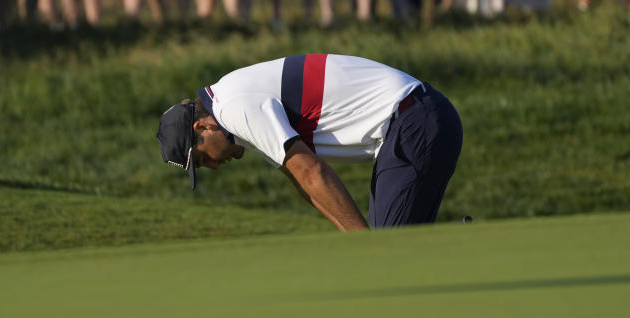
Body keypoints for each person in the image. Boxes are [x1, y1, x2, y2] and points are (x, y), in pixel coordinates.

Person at [157, 53, 463, 230]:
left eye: (201, 159)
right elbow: (305, 185)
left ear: (203, 127)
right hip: (415, 119)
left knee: (389, 253)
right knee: (391, 248)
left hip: (412, 121)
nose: (214, 167)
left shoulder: (232, 108)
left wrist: (367, 248)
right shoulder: (232, 101)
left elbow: (312, 172)